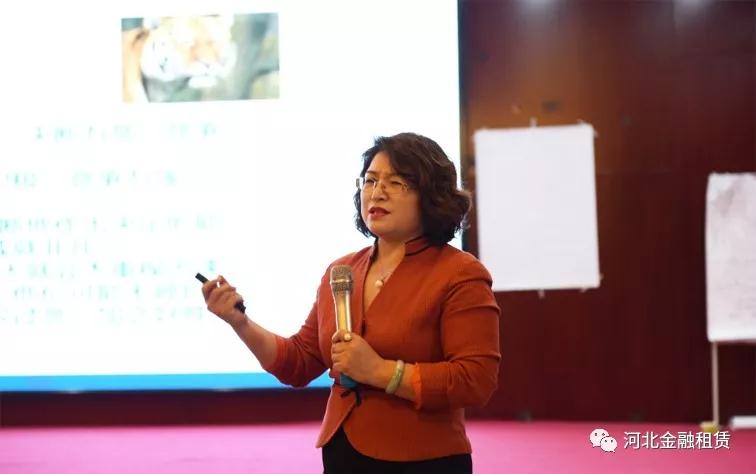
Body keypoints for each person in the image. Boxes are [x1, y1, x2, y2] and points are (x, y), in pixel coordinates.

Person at [201, 132, 501, 473]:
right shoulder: (342, 271)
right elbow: (298, 362)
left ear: (431, 194)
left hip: (424, 458)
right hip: (343, 453)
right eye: (370, 181)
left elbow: (475, 380)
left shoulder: (460, 273)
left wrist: (381, 371)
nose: (377, 192)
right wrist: (240, 323)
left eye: (396, 183)